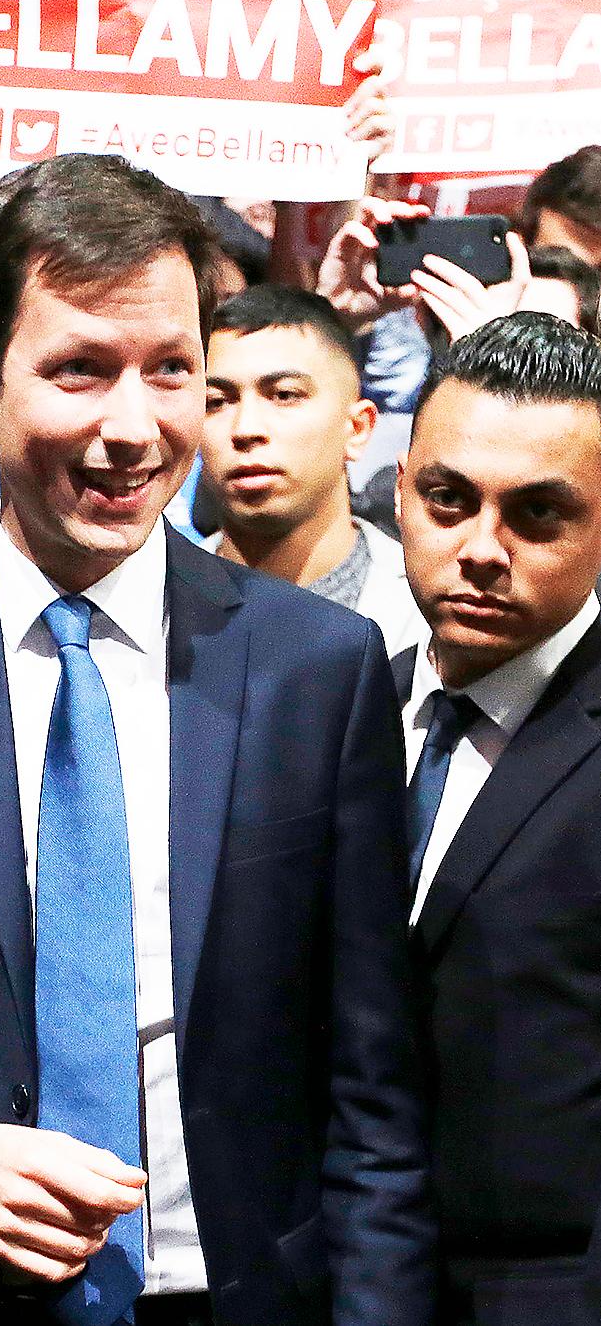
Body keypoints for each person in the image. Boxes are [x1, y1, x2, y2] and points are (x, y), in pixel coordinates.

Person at [0, 153, 434, 1326]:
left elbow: (374, 1090)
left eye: (169, 371)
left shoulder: (316, 668)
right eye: (80, 371)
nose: (132, 427)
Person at [390, 313, 601, 1325]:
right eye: (447, 498)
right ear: (399, 488)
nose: (481, 548)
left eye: (537, 514)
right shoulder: (332, 705)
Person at [201, 285, 425, 653]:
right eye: (216, 402)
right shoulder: (147, 605)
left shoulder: (421, 613)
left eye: (285, 395)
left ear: (357, 428)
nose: (245, 429)